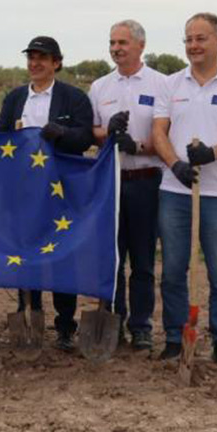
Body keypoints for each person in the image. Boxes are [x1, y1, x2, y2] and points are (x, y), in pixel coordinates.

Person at [152, 13, 217, 372]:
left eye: (200, 38)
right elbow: (158, 132)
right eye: (188, 39)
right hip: (174, 190)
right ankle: (174, 337)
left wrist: (212, 154)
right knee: (173, 270)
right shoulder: (170, 85)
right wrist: (175, 164)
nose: (193, 46)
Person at [0, 36, 94, 352]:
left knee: (63, 255)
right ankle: (30, 312)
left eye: (42, 57)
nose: (35, 63)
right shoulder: (14, 99)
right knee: (29, 256)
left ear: (57, 62)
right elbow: (0, 139)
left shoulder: (73, 97)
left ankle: (65, 324)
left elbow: (84, 137)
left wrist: (62, 134)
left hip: (61, 191)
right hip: (23, 193)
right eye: (31, 57)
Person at [88, 19, 167, 352]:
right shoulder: (100, 87)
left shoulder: (162, 84)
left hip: (147, 180)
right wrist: (109, 135)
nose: (116, 49)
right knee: (113, 257)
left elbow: (166, 133)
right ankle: (115, 319)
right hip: (112, 182)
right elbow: (92, 130)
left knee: (144, 260)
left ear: (140, 45)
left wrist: (137, 145)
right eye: (112, 43)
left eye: (122, 43)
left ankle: (142, 325)